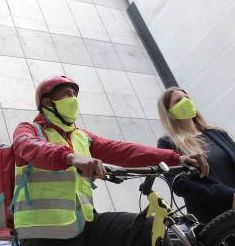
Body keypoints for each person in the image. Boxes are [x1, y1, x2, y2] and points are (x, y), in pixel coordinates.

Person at [12, 75, 209, 246]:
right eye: (66, 94)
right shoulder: (29, 130)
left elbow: (124, 151)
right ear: (47, 103)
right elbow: (29, 146)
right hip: (41, 234)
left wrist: (177, 157)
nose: (73, 99)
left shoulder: (81, 136)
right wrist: (71, 158)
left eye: (74, 95)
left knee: (144, 229)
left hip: (84, 226)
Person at [157, 87, 235, 224]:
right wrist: (230, 196)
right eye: (179, 101)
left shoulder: (217, 133)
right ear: (168, 112)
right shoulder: (167, 143)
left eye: (187, 98)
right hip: (215, 220)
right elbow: (180, 184)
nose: (186, 102)